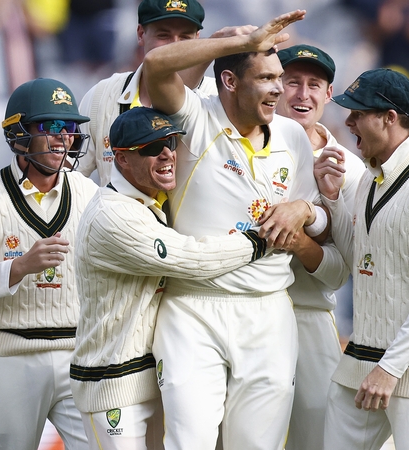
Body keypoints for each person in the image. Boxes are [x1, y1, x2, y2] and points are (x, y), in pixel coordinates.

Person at [141, 10, 327, 450]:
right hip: (193, 308)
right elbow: (155, 66)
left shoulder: (291, 136)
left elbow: (317, 212)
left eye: (278, 77)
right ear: (229, 81)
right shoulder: (194, 118)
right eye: (265, 78)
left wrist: (301, 209)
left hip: (269, 312)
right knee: (191, 442)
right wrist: (238, 41)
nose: (279, 89)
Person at [70, 106, 268, 450]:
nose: (167, 153)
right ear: (121, 159)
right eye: (150, 147)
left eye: (171, 142)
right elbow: (192, 258)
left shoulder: (147, 201)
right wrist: (260, 240)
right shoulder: (112, 215)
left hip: (150, 376)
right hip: (112, 384)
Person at [313, 68, 409, 449]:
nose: (348, 121)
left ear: (390, 118)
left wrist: (390, 368)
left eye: (359, 113)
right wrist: (333, 199)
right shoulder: (370, 176)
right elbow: (360, 260)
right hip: (363, 359)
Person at [0, 77, 98, 449]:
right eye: (50, 126)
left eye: (68, 127)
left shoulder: (89, 194)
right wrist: (18, 268)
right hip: (9, 356)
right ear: (19, 134)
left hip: (77, 354)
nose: (62, 137)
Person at [275, 44, 366, 450]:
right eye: (292, 82)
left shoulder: (351, 168)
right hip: (240, 307)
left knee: (317, 435)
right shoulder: (243, 148)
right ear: (274, 86)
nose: (302, 94)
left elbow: (341, 271)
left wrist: (304, 230)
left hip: (310, 312)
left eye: (314, 85)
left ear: (329, 94)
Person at [76, 0, 253, 186]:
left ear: (199, 40)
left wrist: (288, 205)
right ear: (140, 34)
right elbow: (71, 179)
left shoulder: (219, 97)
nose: (175, 46)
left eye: (185, 37)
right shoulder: (102, 95)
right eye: (164, 35)